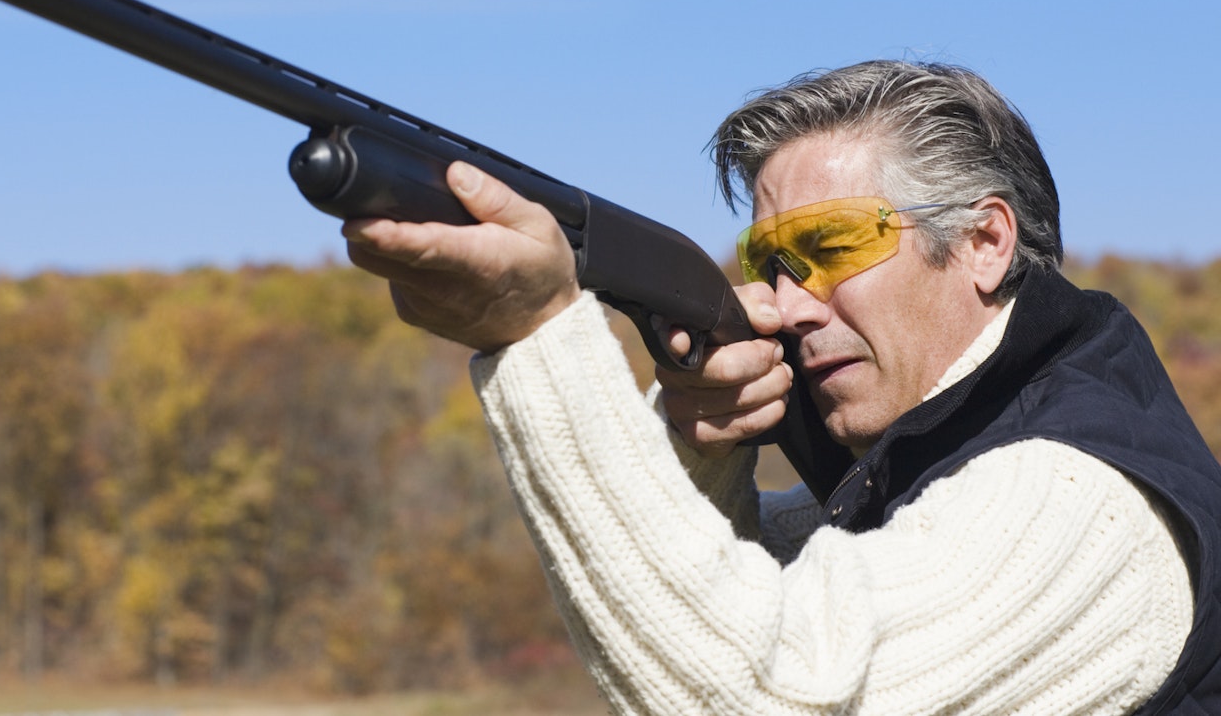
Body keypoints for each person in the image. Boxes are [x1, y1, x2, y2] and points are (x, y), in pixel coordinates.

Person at [342, 61, 1221, 714]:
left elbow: (776, 686)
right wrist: (702, 448)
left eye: (833, 248)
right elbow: (714, 608)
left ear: (988, 242)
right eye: (771, 262)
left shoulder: (1085, 495)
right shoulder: (916, 468)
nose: (789, 305)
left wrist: (532, 337)